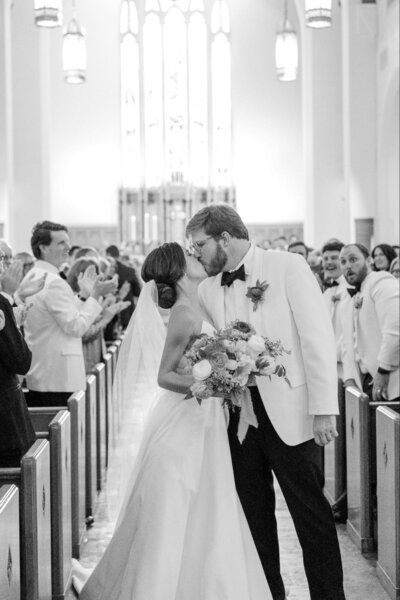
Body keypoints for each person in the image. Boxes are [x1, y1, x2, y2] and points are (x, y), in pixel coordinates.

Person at [74, 242, 273, 600]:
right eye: (191, 256)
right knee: (180, 498)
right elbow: (164, 376)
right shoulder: (184, 313)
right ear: (178, 271)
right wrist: (213, 385)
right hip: (186, 419)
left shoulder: (201, 302)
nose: (197, 257)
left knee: (207, 500)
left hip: (204, 418)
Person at [186, 205, 345, 600]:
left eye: (200, 245)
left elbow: (316, 338)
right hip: (238, 418)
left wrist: (324, 408)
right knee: (255, 519)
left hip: (290, 413)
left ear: (225, 238)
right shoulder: (208, 289)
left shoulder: (286, 266)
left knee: (312, 518)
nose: (196, 254)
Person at [24, 221, 117, 407]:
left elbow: (58, 317)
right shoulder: (53, 282)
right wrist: (95, 296)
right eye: (61, 243)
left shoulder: (35, 275)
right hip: (59, 377)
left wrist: (83, 296)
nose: (68, 247)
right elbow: (75, 327)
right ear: (43, 247)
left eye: (67, 242)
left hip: (46, 373)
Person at [0, 251, 46, 467]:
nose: (7, 264)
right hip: (6, 420)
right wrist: (9, 295)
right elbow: (20, 360)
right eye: (3, 258)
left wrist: (14, 299)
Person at [339, 243, 399, 401]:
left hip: (391, 380)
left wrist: (384, 370)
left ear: (368, 260)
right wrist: (349, 378)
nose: (348, 266)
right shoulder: (349, 297)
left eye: (353, 259)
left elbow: (395, 330)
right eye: (343, 262)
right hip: (366, 381)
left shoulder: (382, 281)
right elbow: (348, 341)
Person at [105, 244, 142, 329]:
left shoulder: (104, 268)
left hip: (108, 316)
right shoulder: (129, 270)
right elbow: (138, 292)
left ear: (108, 254)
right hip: (127, 312)